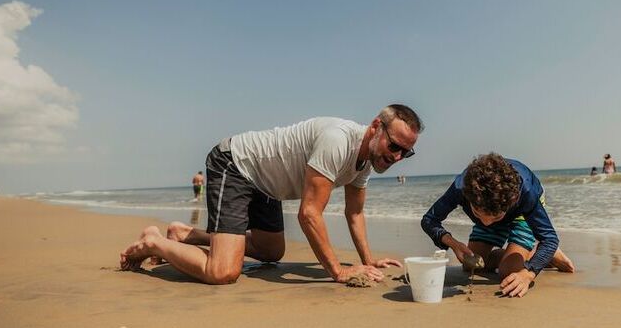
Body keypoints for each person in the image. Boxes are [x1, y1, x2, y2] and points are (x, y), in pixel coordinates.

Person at [120, 104, 423, 285]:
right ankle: (154, 242)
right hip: (236, 164)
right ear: (375, 127)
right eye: (394, 146)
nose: (396, 157)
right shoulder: (338, 141)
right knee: (223, 272)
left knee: (270, 252)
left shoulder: (369, 159)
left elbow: (354, 213)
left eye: (405, 153)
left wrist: (368, 261)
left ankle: (184, 233)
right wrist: (338, 271)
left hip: (266, 184)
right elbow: (309, 214)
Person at [421, 153, 574, 298]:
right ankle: (519, 254)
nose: (487, 223)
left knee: (509, 272)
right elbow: (429, 220)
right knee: (471, 265)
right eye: (478, 213)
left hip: (521, 213)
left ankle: (540, 255)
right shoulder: (462, 187)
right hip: (494, 204)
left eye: (496, 217)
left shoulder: (527, 195)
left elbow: (550, 239)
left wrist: (529, 273)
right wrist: (453, 243)